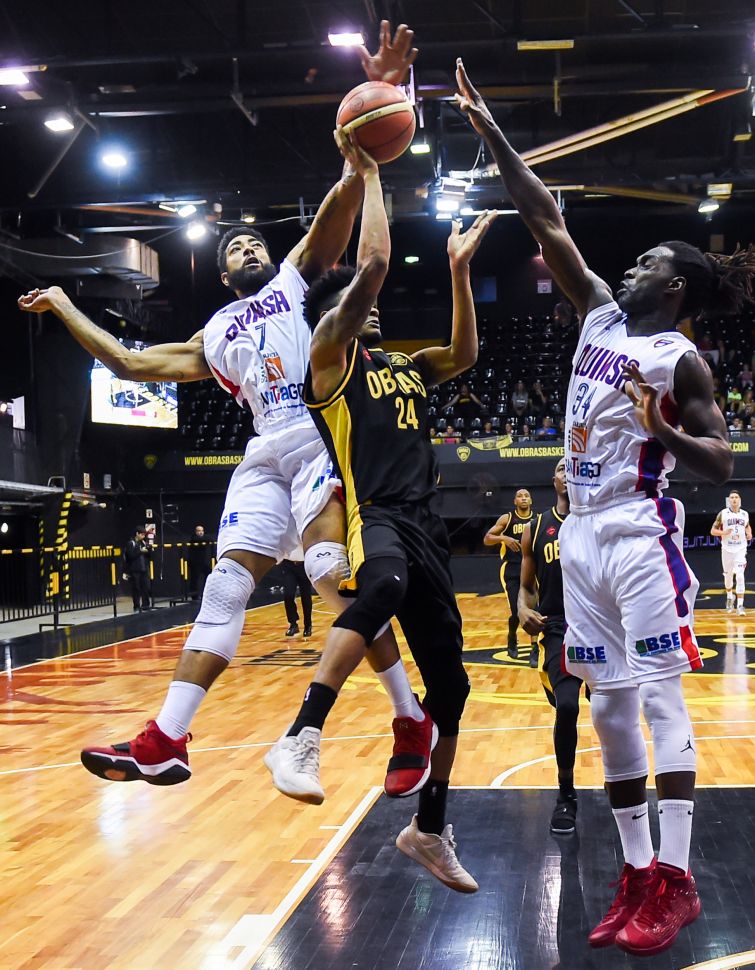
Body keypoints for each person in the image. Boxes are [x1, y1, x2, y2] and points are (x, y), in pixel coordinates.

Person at [19, 23, 427, 795]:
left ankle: (410, 717)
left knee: (331, 575)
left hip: (318, 432)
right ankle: (166, 739)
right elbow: (131, 363)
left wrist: (372, 116)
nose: (246, 248)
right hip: (265, 449)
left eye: (252, 242)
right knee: (226, 587)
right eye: (233, 247)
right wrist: (67, 304)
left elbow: (343, 202)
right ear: (219, 271)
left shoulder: (295, 281)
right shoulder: (213, 335)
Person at [456, 58, 753, 955]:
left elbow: (721, 462)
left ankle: (678, 881)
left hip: (636, 529)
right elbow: (544, 218)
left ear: (674, 287)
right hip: (579, 535)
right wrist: (492, 135)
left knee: (659, 699)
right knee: (606, 710)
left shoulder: (677, 358)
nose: (628, 265)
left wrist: (658, 427)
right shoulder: (594, 315)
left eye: (647, 261)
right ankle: (634, 874)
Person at [264, 125, 497, 893]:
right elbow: (369, 268)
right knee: (382, 587)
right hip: (377, 514)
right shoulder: (327, 363)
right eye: (353, 304)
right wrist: (367, 172)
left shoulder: (402, 363)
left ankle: (428, 829)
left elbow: (463, 355)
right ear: (330, 317)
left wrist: (458, 271)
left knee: (452, 690)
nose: (370, 307)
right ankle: (300, 735)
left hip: (427, 525)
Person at [518, 457, 585, 834]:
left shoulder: (597, 522)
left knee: (612, 711)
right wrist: (522, 608)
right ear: (554, 479)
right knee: (568, 706)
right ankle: (566, 793)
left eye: (573, 466)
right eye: (561, 467)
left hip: (599, 627)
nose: (567, 472)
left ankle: (621, 786)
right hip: (559, 627)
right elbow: (526, 587)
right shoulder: (536, 527)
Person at [484, 488, 536, 663]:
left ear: (531, 501)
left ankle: (535, 648)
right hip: (512, 569)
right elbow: (487, 538)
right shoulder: (507, 519)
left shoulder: (537, 520)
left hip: (532, 569)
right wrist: (504, 539)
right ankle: (512, 636)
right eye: (520, 496)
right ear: (515, 501)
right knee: (516, 611)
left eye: (526, 496)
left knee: (534, 609)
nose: (523, 498)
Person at [710, 490, 751, 615]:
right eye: (732, 497)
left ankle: (740, 606)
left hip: (741, 548)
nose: (734, 499)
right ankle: (729, 597)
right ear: (729, 500)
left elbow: (747, 526)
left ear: (740, 500)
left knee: (740, 575)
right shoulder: (723, 514)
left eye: (736, 497)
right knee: (728, 577)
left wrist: (749, 533)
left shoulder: (745, 514)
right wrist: (723, 533)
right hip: (727, 548)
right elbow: (713, 531)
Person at [280, 556, 313, 637]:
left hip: (304, 565)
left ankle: (308, 625)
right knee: (288, 595)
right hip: (288, 564)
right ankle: (293, 624)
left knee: (306, 595)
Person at [123, 527, 152, 612]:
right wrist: (140, 551)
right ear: (137, 534)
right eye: (142, 534)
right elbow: (131, 556)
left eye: (144, 535)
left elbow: (149, 556)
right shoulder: (131, 543)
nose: (143, 536)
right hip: (135, 569)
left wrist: (149, 550)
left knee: (146, 587)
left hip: (144, 568)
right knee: (136, 588)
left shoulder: (143, 542)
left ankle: (146, 605)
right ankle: (136, 606)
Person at [186, 525, 213, 601]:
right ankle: (194, 596)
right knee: (195, 580)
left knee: (209, 577)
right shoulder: (193, 539)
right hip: (195, 563)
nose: (201, 532)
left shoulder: (206, 538)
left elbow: (209, 539)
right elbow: (198, 539)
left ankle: (208, 594)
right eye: (199, 531)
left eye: (202, 531)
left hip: (204, 562)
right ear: (195, 532)